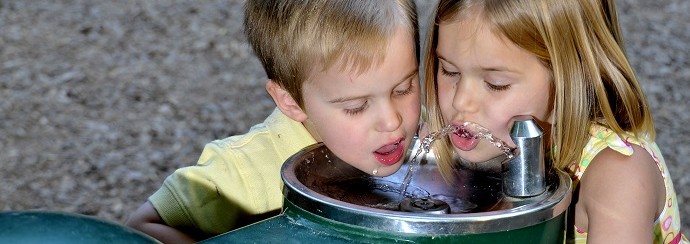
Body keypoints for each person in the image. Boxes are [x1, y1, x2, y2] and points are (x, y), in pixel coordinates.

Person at [125, 0, 421, 242]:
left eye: (404, 88)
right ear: (290, 101)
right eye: (356, 107)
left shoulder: (425, 141)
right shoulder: (244, 172)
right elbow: (140, 226)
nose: (391, 121)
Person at [422, 0, 687, 243]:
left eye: (496, 84)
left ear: (570, 79)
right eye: (449, 70)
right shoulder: (454, 139)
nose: (461, 102)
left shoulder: (619, 176)